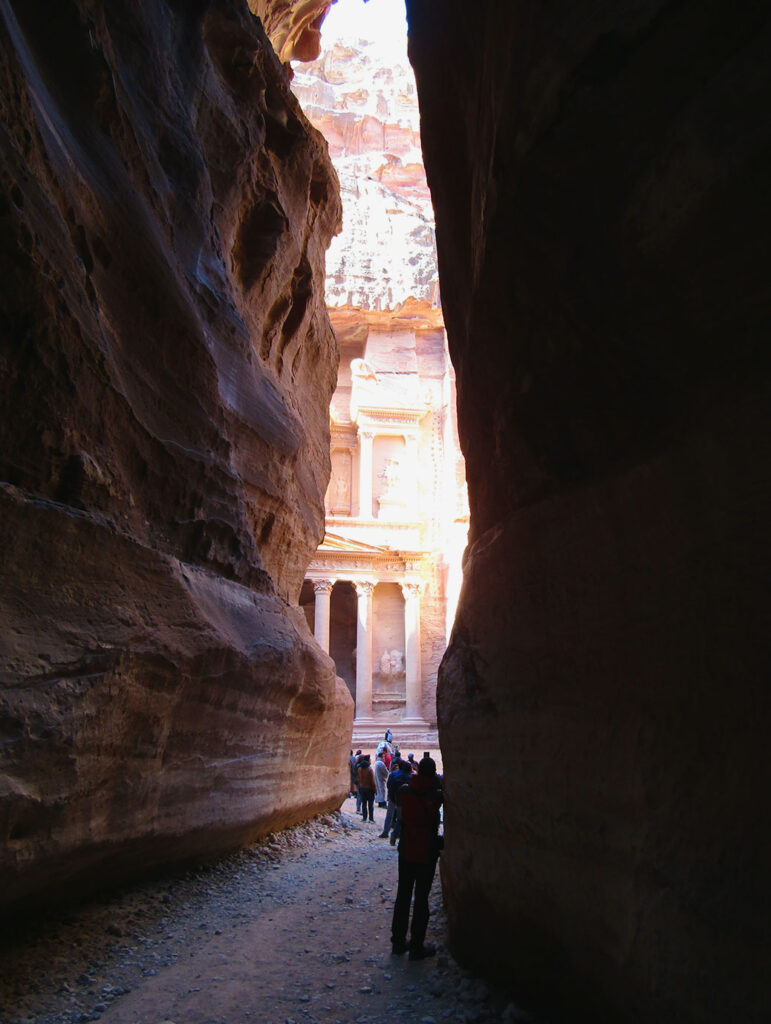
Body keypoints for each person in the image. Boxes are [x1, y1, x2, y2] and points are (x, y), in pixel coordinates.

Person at [391, 756, 443, 960]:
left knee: (403, 897)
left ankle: (397, 943)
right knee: (421, 899)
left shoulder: (405, 791)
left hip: (406, 850)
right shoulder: (436, 795)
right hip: (426, 853)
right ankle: (416, 947)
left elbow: (398, 807)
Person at [380, 757, 411, 840]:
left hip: (393, 798)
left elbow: (388, 785)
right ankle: (399, 833)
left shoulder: (393, 775)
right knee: (401, 818)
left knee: (389, 816)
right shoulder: (410, 777)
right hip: (405, 800)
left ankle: (385, 832)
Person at [357, 754, 376, 822]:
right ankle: (371, 818)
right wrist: (375, 790)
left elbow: (358, 779)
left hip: (362, 788)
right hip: (369, 789)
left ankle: (364, 818)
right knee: (370, 804)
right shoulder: (370, 770)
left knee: (364, 804)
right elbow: (373, 782)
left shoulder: (359, 769)